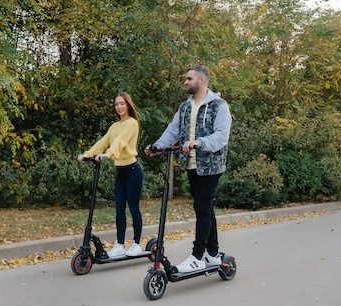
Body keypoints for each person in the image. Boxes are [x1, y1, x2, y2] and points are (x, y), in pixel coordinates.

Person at [145, 65, 231, 272]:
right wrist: (158, 146)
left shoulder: (219, 105)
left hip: (210, 166)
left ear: (201, 81)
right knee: (205, 207)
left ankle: (198, 256)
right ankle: (212, 253)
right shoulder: (184, 107)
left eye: (189, 78)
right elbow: (173, 130)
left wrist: (199, 142)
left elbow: (221, 136)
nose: (185, 82)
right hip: (191, 164)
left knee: (202, 207)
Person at [78, 92, 144, 257]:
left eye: (122, 103)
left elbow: (119, 142)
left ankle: (137, 244)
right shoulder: (114, 126)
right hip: (121, 172)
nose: (119, 106)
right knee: (119, 209)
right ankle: (120, 244)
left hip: (133, 171)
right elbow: (104, 141)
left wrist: (108, 154)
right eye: (116, 104)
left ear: (128, 105)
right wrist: (87, 154)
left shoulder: (132, 123)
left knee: (134, 208)